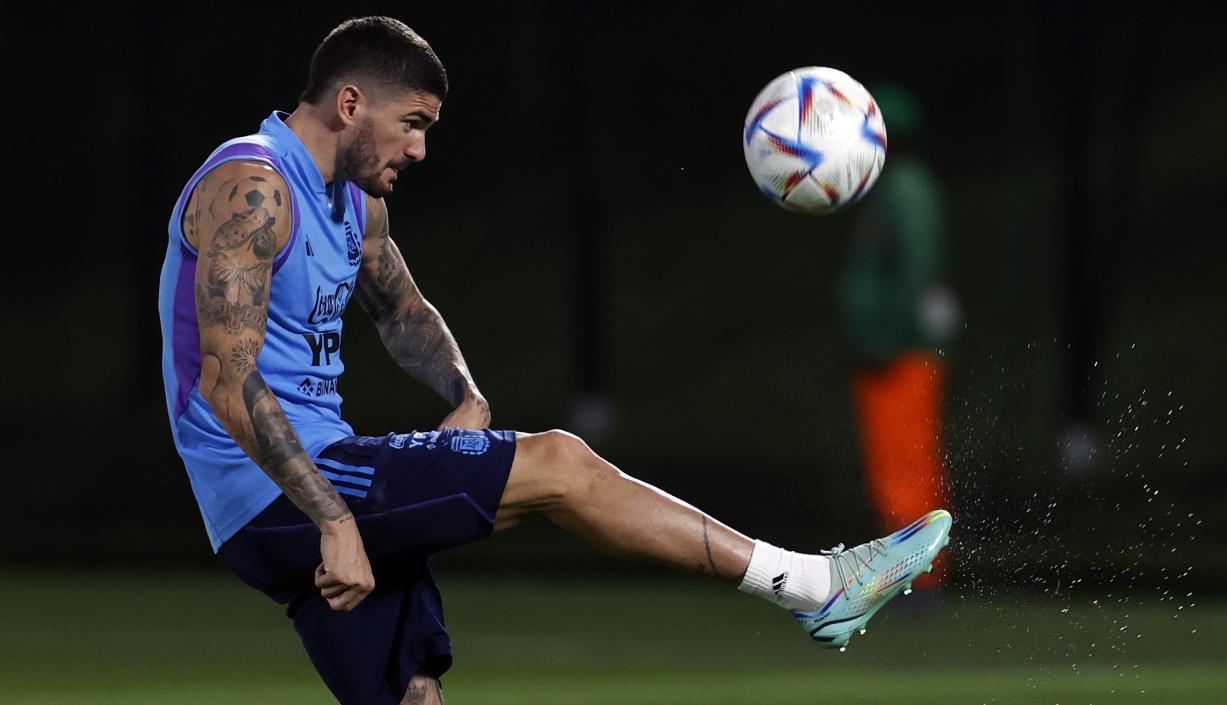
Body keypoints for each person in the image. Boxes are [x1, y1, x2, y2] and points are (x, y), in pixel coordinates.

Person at [157, 17, 952, 705]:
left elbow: (402, 309)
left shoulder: (356, 202)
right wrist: (331, 517)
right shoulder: (253, 185)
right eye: (412, 123)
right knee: (561, 466)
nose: (421, 148)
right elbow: (227, 380)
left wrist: (463, 391)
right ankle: (814, 586)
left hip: (306, 485)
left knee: (410, 691)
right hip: (279, 490)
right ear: (351, 103)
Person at [836, 83, 960, 589]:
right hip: (889, 349)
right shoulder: (892, 188)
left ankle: (920, 580)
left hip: (901, 351)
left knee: (908, 466)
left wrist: (885, 338)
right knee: (895, 466)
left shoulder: (907, 189)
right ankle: (908, 577)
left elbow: (918, 272)